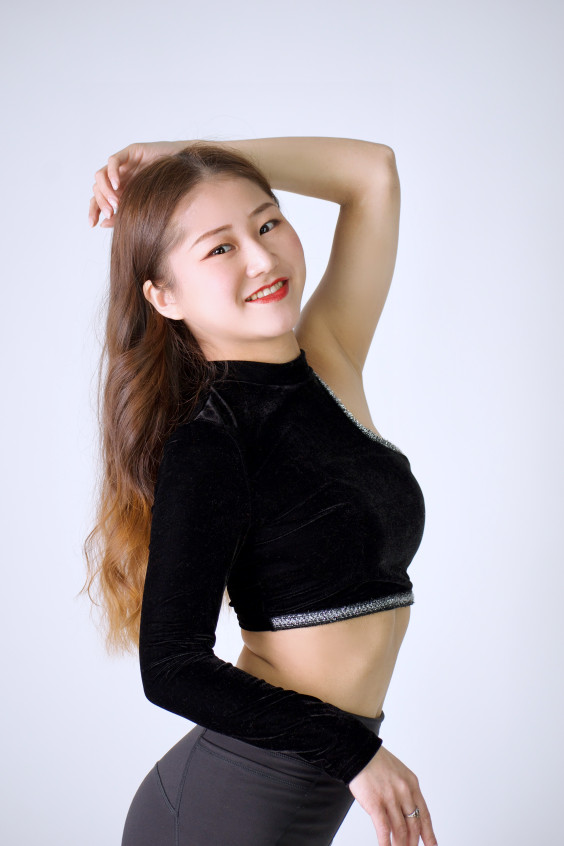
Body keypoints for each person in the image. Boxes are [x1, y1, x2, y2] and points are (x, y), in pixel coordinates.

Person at [83, 137, 438, 846]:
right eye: (220, 248)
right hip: (228, 804)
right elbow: (172, 668)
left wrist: (183, 154)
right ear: (164, 296)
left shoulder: (329, 358)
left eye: (268, 222)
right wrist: (353, 752)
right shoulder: (208, 442)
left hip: (305, 785)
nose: (261, 258)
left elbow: (373, 173)